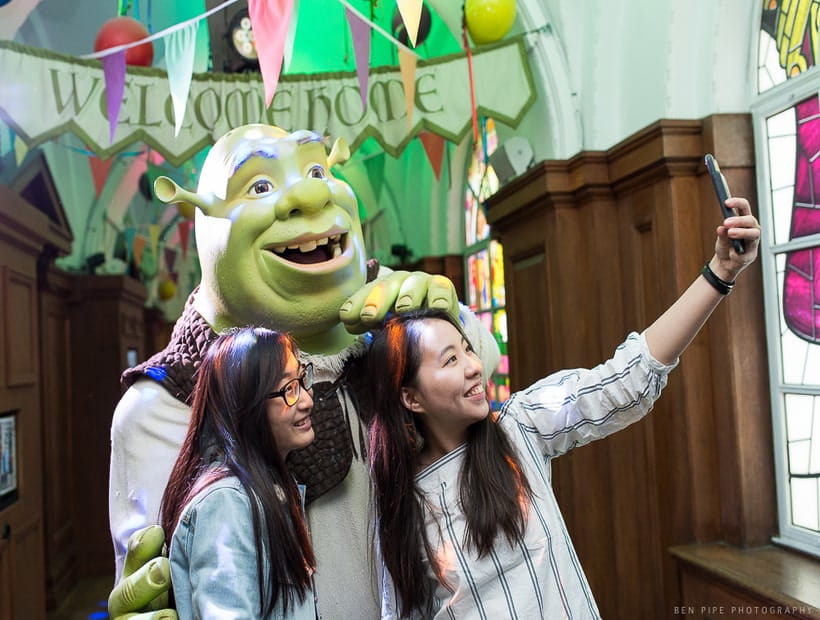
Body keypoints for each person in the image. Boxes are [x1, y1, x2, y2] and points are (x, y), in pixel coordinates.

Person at [106, 124, 500, 619]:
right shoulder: (161, 410)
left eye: (317, 169)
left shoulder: (397, 345)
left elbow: (481, 376)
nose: (310, 194)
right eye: (259, 186)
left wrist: (433, 314)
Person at [366, 198, 761, 619]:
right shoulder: (400, 502)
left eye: (467, 350)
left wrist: (720, 274)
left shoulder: (520, 428)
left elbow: (626, 380)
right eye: (449, 360)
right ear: (411, 397)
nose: (473, 367)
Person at [160, 326, 316, 618]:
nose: (307, 400)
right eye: (289, 390)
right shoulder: (226, 503)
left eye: (302, 380)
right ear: (246, 405)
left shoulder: (264, 488)